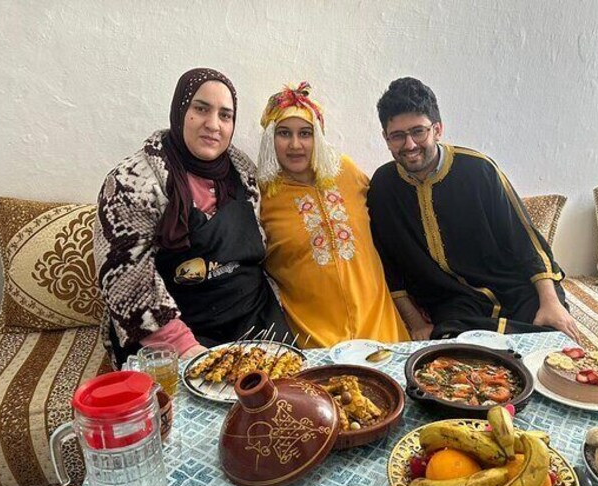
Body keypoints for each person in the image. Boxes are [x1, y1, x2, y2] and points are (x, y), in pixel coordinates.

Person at [94, 68, 291, 368]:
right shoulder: (129, 182)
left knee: (284, 400)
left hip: (254, 317)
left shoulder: (244, 173)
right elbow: (125, 281)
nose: (213, 124)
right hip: (176, 333)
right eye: (201, 109)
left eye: (225, 115)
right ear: (180, 110)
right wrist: (186, 349)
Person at [367, 77, 580, 342]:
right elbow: (389, 266)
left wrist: (550, 302)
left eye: (418, 131)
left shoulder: (478, 169)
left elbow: (525, 238)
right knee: (453, 341)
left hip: (515, 286)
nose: (409, 145)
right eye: (397, 135)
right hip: (454, 302)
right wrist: (416, 323)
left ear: (437, 129)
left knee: (553, 336)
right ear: (386, 139)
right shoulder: (383, 186)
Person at [256, 82, 408, 347]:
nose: (295, 144)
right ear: (270, 139)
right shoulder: (262, 195)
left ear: (319, 136)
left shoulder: (346, 172)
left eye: (305, 133)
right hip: (315, 343)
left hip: (383, 333)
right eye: (284, 133)